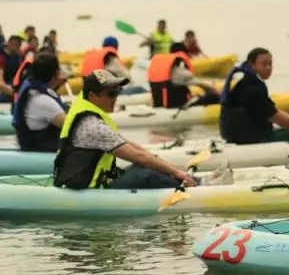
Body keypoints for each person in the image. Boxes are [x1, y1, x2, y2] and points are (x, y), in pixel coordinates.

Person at [53, 69, 198, 190]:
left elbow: (133, 148)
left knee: (144, 168)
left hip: (95, 183)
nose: (115, 98)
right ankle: (194, 187)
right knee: (145, 174)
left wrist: (173, 170)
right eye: (111, 94)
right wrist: (175, 172)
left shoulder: (89, 114)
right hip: (91, 190)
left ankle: (189, 180)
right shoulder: (92, 125)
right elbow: (138, 157)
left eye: (117, 92)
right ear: (92, 96)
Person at [220, 47, 289, 144]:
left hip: (240, 137)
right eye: (264, 64)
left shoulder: (245, 82)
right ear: (252, 65)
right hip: (254, 139)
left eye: (270, 64)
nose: (269, 68)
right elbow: (275, 117)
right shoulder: (253, 88)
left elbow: (272, 110)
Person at [12, 53, 68, 152]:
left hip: (30, 142)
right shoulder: (43, 101)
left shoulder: (32, 89)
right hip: (38, 147)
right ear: (56, 73)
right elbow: (70, 126)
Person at [147, 42, 220, 109]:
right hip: (178, 107)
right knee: (213, 97)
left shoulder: (157, 71)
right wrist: (216, 93)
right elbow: (203, 85)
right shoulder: (180, 73)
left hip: (159, 106)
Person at [0, 35, 24, 103]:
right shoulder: (2, 57)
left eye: (17, 45)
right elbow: (1, 84)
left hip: (13, 87)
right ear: (8, 43)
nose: (14, 47)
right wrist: (15, 94)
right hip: (5, 91)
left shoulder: (19, 57)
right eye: (12, 44)